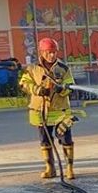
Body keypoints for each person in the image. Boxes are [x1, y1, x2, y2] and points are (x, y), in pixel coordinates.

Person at [21, 37, 76, 180]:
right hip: (41, 112)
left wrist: (62, 89)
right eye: (49, 52)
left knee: (66, 139)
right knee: (45, 141)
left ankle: (69, 169)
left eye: (54, 52)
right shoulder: (33, 69)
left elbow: (70, 85)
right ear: (42, 52)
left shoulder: (63, 68)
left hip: (60, 112)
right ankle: (50, 168)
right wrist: (38, 90)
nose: (52, 55)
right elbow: (24, 84)